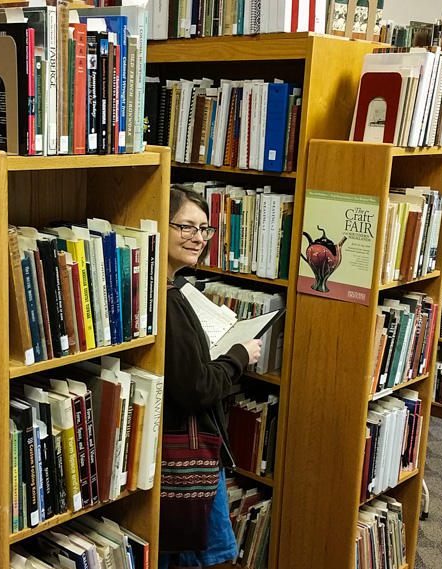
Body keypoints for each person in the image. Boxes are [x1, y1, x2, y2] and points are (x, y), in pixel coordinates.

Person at [160, 185, 262, 568]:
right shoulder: (169, 300)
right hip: (186, 452)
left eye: (204, 229)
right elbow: (195, 387)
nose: (198, 238)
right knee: (208, 558)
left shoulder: (176, 288)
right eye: (186, 227)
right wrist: (237, 357)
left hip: (180, 449)